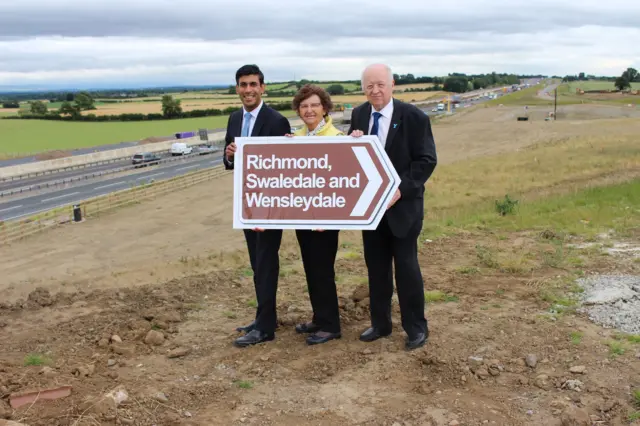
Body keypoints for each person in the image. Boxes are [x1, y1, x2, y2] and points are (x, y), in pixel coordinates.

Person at [348, 64, 437, 351]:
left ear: (392, 84)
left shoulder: (414, 117)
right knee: (376, 268)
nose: (375, 91)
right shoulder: (359, 114)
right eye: (369, 86)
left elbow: (426, 161)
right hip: (372, 210)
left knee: (407, 269)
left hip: (403, 209)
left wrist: (400, 190)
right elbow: (354, 157)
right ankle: (381, 324)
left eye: (380, 85)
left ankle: (415, 328)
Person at [223, 64, 291, 347]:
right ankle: (265, 316)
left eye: (253, 84)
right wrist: (229, 156)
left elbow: (285, 167)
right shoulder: (234, 119)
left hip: (270, 207)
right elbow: (229, 162)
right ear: (237, 88)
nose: (248, 90)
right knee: (256, 263)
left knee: (265, 263)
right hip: (247, 205)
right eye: (243, 84)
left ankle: (265, 328)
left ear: (263, 88)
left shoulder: (276, 121)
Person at [287, 84, 343, 345]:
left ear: (325, 108)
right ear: (298, 110)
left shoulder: (337, 136)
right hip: (303, 216)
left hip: (326, 219)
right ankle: (319, 318)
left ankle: (331, 324)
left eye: (314, 105)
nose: (309, 110)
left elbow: (342, 183)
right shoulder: (295, 137)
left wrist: (328, 217)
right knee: (310, 268)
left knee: (323, 270)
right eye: (304, 105)